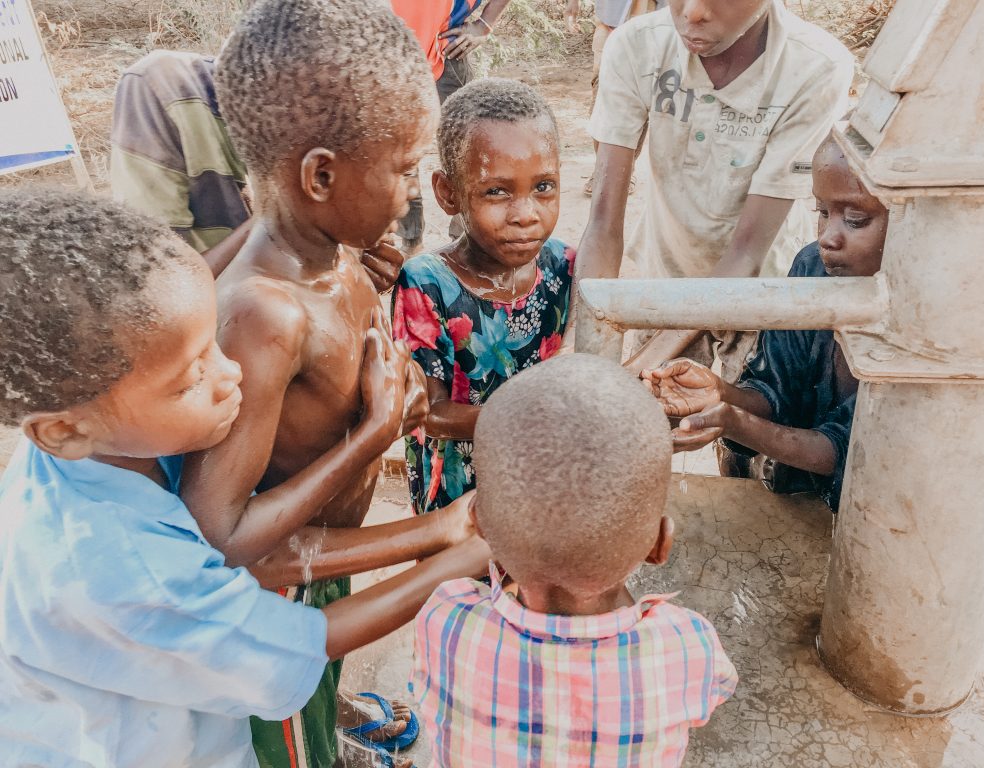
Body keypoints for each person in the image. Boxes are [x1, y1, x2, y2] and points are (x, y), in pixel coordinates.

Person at [0, 188, 489, 768]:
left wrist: (275, 217)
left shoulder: (90, 422)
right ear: (61, 430)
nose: (231, 371)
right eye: (188, 380)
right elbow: (305, 641)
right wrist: (462, 546)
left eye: (214, 340)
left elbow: (163, 319)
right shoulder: (129, 573)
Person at [179, 2, 480, 766]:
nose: (414, 192)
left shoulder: (326, 248)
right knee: (287, 737)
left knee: (319, 681)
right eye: (406, 169)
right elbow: (222, 537)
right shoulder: (267, 316)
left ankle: (330, 718)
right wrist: (378, 439)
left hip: (319, 565)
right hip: (268, 601)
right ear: (321, 174)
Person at [411, 354, 738, 766]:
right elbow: (717, 690)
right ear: (659, 545)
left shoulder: (446, 618)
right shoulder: (686, 644)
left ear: (479, 525)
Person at [575, 0, 854, 386]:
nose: (692, 12)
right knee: (655, 419)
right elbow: (603, 224)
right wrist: (591, 369)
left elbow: (747, 252)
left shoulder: (815, 68)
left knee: (744, 424)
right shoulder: (638, 46)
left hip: (763, 291)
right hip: (667, 277)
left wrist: (641, 363)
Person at [644, 136, 888, 512]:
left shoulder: (929, 324)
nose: (827, 237)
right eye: (822, 211)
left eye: (855, 220)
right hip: (803, 499)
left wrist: (734, 422)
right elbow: (776, 393)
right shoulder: (812, 268)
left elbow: (845, 452)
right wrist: (720, 394)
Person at [391, 78, 573, 516]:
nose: (526, 214)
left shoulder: (562, 264)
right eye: (497, 191)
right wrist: (531, 423)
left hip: (539, 478)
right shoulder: (427, 283)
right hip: (456, 492)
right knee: (456, 583)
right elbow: (428, 412)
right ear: (448, 193)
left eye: (544, 187)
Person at [110, 49, 406, 289]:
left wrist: (357, 269)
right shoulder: (163, 89)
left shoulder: (337, 123)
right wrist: (288, 214)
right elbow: (156, 295)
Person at [390, 0, 513, 254]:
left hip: (446, 54)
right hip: (390, 57)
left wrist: (484, 24)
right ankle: (411, 244)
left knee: (469, 153)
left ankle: (467, 242)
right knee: (401, 156)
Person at [564, 0, 666, 195]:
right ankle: (602, 168)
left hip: (652, 26)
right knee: (600, 92)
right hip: (610, 24)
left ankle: (627, 170)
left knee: (640, 98)